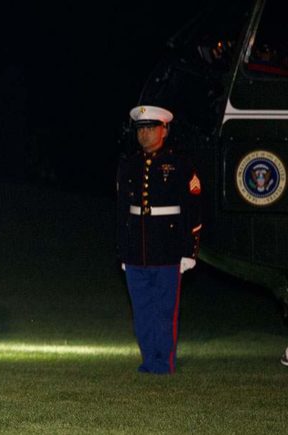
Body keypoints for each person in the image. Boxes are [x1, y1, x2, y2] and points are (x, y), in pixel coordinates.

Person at [116, 105, 202, 374]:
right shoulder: (129, 164)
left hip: (168, 247)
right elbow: (122, 211)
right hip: (137, 249)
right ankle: (148, 360)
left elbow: (192, 209)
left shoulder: (179, 164)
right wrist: (123, 251)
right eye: (141, 129)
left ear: (164, 130)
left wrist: (189, 250)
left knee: (164, 310)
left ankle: (163, 362)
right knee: (142, 309)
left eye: (151, 128)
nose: (144, 134)